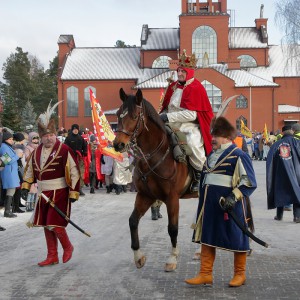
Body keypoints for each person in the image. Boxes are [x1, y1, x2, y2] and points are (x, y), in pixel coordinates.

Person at [185, 116, 257, 287]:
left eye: (215, 135)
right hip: (209, 206)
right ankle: (205, 274)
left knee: (237, 237)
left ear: (226, 136)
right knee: (207, 236)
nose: (212, 139)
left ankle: (240, 274)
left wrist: (233, 197)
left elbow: (249, 181)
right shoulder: (211, 155)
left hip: (230, 207)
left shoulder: (239, 154)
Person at [21, 105, 80, 266]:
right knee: (46, 225)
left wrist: (74, 192)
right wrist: (26, 186)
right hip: (43, 192)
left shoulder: (64, 150)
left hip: (59, 191)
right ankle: (52, 256)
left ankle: (68, 247)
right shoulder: (36, 151)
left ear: (55, 135)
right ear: (41, 137)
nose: (49, 138)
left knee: (55, 223)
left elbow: (74, 171)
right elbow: (30, 170)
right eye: (45, 135)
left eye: (51, 135)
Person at [159, 50, 213, 192]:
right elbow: (167, 106)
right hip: (170, 121)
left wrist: (169, 117)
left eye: (183, 71)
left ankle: (199, 175)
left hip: (188, 124)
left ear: (189, 72)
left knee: (193, 142)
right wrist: (163, 115)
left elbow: (192, 115)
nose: (180, 74)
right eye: (179, 71)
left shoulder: (196, 88)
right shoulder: (173, 86)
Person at [266, 125, 300, 223]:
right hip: (297, 174)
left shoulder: (276, 144)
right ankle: (297, 217)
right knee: (297, 192)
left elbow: (270, 160)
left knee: (280, 193)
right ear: (292, 131)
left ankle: (279, 215)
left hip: (280, 173)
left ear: (283, 132)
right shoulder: (297, 143)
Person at [0, 129, 23, 218]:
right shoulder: (4, 147)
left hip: (11, 171)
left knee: (11, 190)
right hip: (8, 172)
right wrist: (18, 156)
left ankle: (8, 210)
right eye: (10, 139)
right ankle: (7, 211)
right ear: (5, 139)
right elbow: (7, 161)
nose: (11, 140)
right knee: (10, 190)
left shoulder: (6, 146)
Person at [64, 124, 87, 196]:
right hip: (71, 159)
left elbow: (85, 146)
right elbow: (65, 147)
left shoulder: (81, 138)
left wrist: (84, 152)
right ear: (72, 130)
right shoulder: (68, 138)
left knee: (81, 173)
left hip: (79, 159)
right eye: (74, 129)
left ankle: (80, 188)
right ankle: (71, 188)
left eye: (77, 129)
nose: (75, 130)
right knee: (72, 173)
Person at [24, 132, 40, 211]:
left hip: (38, 168)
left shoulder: (40, 146)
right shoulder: (28, 147)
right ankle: (29, 204)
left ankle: (36, 204)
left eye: (37, 138)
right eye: (34, 139)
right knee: (32, 187)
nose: (35, 140)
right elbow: (26, 158)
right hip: (31, 169)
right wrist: (33, 154)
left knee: (37, 186)